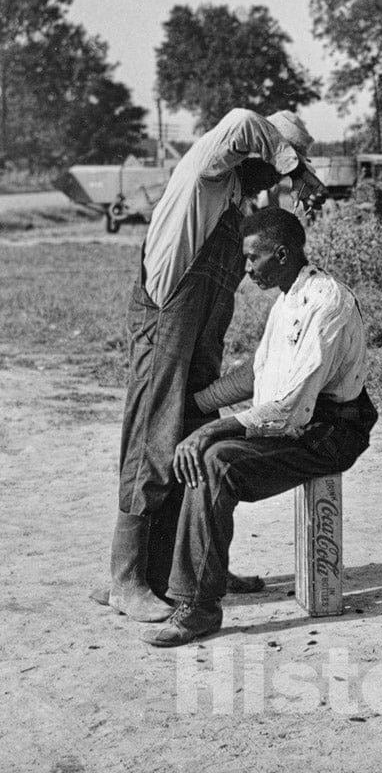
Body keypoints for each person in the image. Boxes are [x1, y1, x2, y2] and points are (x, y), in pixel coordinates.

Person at [92, 109, 326, 623]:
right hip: (167, 325)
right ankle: (126, 579)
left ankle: (188, 572)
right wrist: (296, 169)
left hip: (198, 335)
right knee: (153, 438)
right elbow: (244, 119)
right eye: (277, 164)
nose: (273, 179)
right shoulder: (205, 173)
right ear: (263, 154)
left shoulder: (233, 201)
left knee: (191, 438)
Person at [142, 207, 377, 646]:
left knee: (214, 462)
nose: (247, 269)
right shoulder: (288, 297)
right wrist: (194, 407)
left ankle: (200, 607)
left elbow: (289, 409)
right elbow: (257, 374)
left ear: (282, 254)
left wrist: (212, 430)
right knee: (197, 449)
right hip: (302, 424)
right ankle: (206, 574)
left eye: (253, 259)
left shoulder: (326, 304)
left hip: (330, 434)